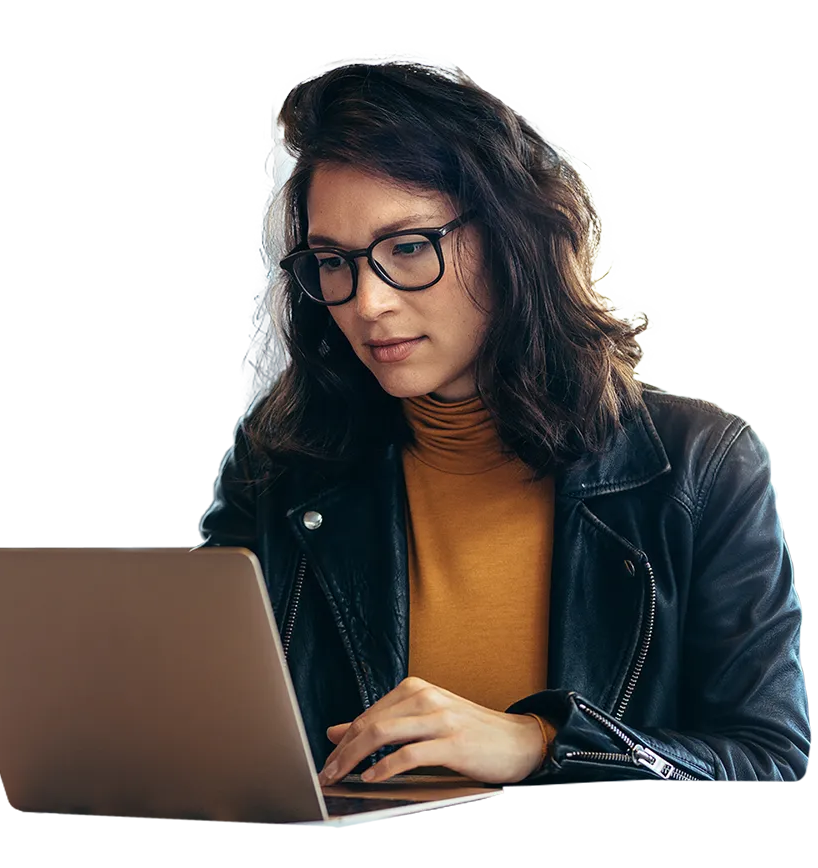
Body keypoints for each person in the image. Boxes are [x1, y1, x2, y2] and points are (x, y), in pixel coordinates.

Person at [198, 58, 811, 785]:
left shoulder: (700, 462)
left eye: (407, 248)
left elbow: (779, 766)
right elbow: (198, 712)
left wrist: (542, 742)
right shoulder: (285, 453)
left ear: (510, 241)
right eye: (335, 261)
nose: (367, 303)